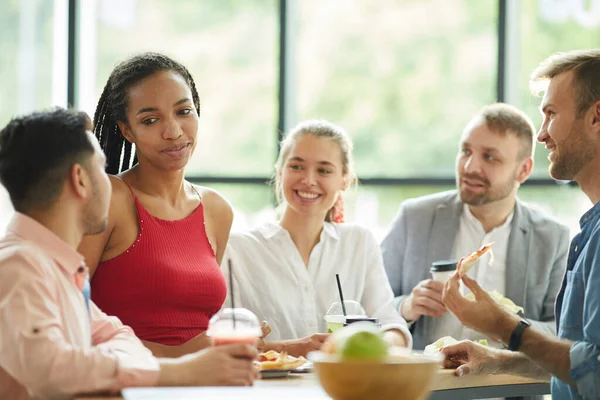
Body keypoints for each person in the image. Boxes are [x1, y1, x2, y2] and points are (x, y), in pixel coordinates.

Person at [0, 108, 257, 400]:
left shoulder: (57, 267)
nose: (111, 181)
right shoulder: (17, 266)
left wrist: (96, 364)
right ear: (81, 180)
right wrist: (183, 371)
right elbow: (51, 369)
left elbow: (119, 338)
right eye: (101, 167)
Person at [441, 49, 600, 400]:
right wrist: (500, 359)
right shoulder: (589, 232)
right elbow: (579, 363)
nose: (542, 134)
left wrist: (504, 325)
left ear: (596, 116)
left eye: (551, 114)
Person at [77, 52, 234, 357]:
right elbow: (67, 317)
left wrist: (292, 346)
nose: (173, 132)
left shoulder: (216, 209)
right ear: (127, 130)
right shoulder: (110, 199)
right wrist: (181, 357)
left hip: (205, 383)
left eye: (184, 111)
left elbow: (201, 332)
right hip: (129, 385)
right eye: (150, 120)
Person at [381, 103, 569, 350]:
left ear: (523, 170)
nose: (469, 167)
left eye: (489, 157)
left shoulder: (553, 239)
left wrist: (507, 325)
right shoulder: (414, 217)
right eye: (465, 151)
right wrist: (405, 307)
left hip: (505, 387)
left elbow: (563, 331)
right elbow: (371, 306)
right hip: (424, 384)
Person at [223, 120, 412, 357]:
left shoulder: (358, 243)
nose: (309, 180)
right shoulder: (238, 249)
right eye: (297, 166)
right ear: (280, 172)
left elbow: (394, 328)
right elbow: (219, 342)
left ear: (345, 179)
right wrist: (288, 348)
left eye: (324, 170)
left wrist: (365, 345)